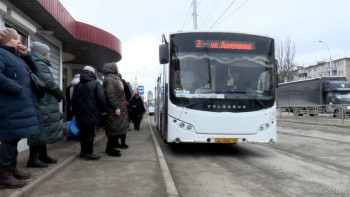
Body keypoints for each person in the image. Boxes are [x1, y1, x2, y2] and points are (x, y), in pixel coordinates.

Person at [0, 28, 44, 188]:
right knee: (9, 139)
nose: (19, 41)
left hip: (20, 105)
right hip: (10, 106)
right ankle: (3, 175)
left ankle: (11, 170)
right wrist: (17, 88)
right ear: (6, 41)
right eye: (15, 38)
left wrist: (27, 55)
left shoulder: (17, 56)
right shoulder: (2, 53)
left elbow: (36, 72)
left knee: (15, 138)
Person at [26, 42, 64, 168]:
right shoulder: (39, 64)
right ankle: (33, 159)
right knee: (39, 131)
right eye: (47, 52)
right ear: (41, 53)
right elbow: (49, 83)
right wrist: (60, 95)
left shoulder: (37, 62)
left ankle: (42, 155)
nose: (49, 54)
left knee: (43, 130)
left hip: (44, 102)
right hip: (43, 102)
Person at [72, 66, 106, 160]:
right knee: (90, 133)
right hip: (92, 113)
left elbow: (73, 100)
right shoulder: (96, 83)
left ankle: (83, 152)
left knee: (82, 134)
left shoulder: (78, 85)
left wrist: (74, 113)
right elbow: (101, 99)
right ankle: (89, 153)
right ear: (92, 73)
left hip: (80, 114)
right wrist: (103, 111)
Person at [102, 63, 129, 156]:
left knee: (115, 129)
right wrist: (116, 107)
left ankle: (109, 148)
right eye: (116, 68)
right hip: (113, 109)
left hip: (117, 108)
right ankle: (110, 150)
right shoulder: (110, 80)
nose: (117, 69)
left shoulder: (113, 78)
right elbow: (111, 95)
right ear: (112, 69)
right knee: (113, 130)